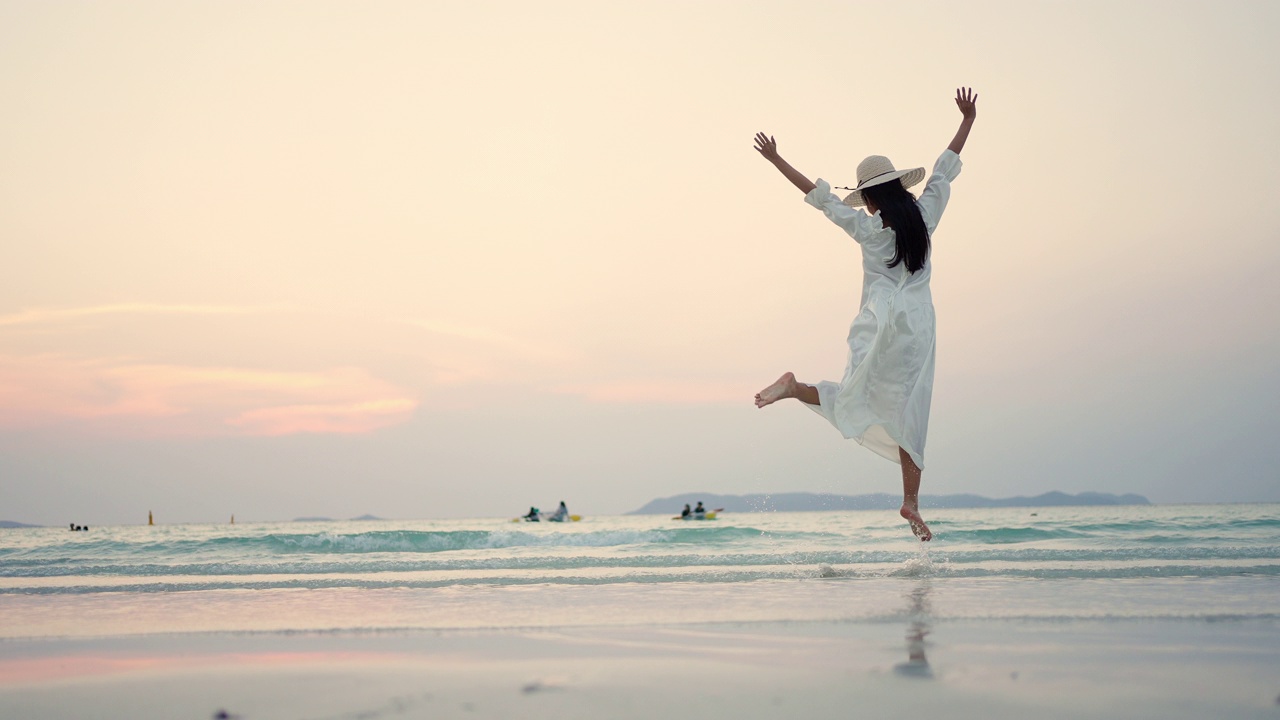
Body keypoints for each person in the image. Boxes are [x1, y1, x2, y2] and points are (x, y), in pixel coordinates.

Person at [752, 88, 979, 542]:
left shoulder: (866, 228)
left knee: (856, 396)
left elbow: (820, 198)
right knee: (912, 413)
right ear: (899, 187)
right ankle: (910, 500)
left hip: (875, 327)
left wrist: (777, 160)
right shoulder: (924, 215)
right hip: (915, 328)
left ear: (870, 200)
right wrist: (968, 120)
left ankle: (796, 387)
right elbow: (944, 169)